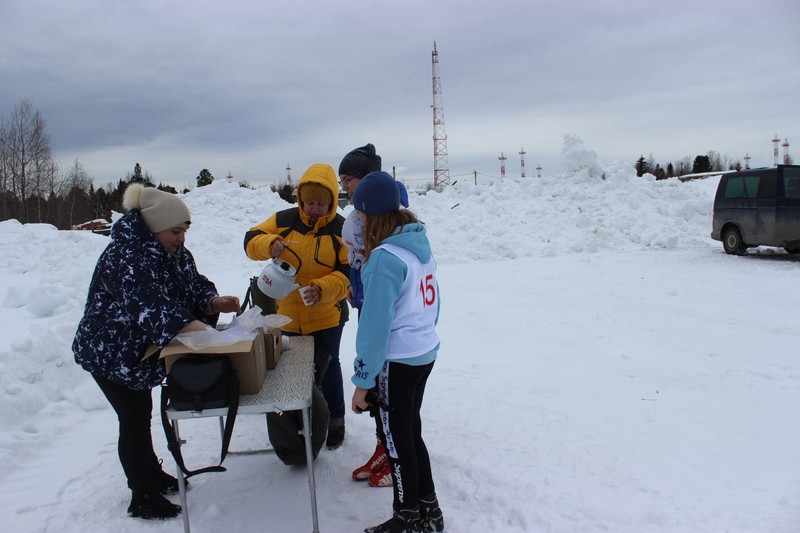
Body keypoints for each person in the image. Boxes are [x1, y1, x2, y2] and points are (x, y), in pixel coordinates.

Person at [72, 184, 240, 520]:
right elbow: (154, 311)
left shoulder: (170, 252)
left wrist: (211, 301)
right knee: (133, 417)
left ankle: (151, 474)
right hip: (109, 352)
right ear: (154, 227)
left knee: (140, 412)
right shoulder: (125, 257)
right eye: (176, 231)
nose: (182, 239)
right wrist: (210, 335)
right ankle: (142, 493)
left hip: (134, 352)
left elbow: (193, 283)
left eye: (184, 231)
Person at [350, 171, 444, 533]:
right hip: (423, 353)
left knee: (397, 442)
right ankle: (428, 512)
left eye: (358, 214)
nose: (356, 221)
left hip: (398, 361)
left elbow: (373, 330)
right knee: (410, 434)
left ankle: (406, 519)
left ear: (370, 216)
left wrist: (363, 381)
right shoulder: (418, 247)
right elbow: (433, 305)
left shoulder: (384, 259)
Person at [244, 163, 350, 449]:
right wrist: (270, 244)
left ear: (331, 200)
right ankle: (296, 424)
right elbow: (250, 239)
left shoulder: (342, 228)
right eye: (309, 202)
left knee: (329, 370)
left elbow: (348, 272)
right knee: (290, 374)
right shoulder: (284, 220)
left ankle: (336, 421)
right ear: (300, 200)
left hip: (328, 315)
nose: (314, 209)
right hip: (288, 315)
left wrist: (322, 288)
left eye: (321, 203)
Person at [339, 144, 409, 488]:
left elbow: (383, 262)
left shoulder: (383, 217)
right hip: (367, 294)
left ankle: (393, 450)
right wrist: (353, 281)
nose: (345, 187)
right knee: (380, 386)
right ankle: (384, 443)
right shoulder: (356, 216)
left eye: (349, 179)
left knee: (384, 388)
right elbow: (355, 256)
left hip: (383, 308)